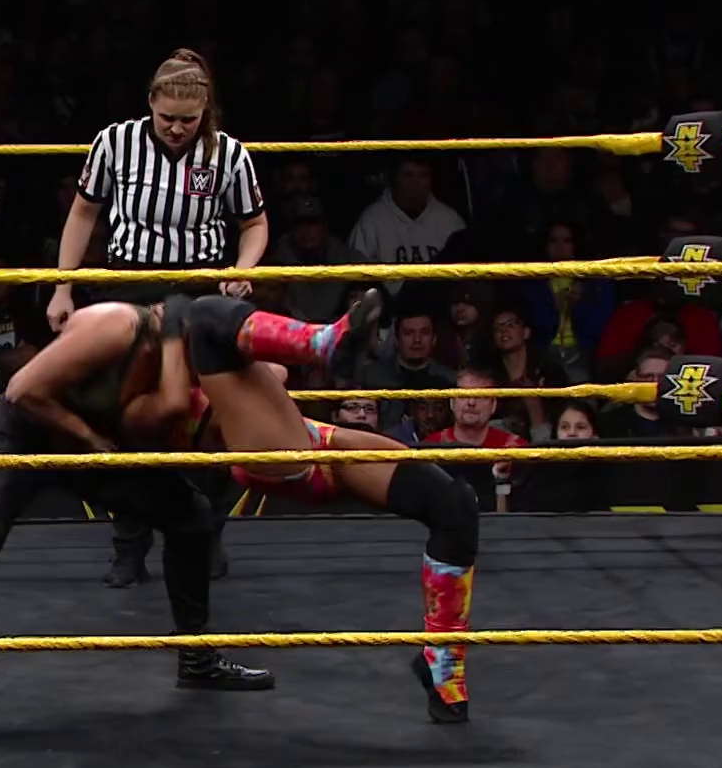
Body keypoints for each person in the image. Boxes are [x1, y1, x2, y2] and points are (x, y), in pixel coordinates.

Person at [0, 299, 273, 727]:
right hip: (22, 433)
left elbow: (175, 409)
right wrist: (89, 438)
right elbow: (22, 391)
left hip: (89, 446)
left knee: (190, 515)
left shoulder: (178, 361)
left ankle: (197, 658)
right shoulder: (118, 324)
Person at [132, 291, 481, 724]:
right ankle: (323, 344)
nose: (167, 318)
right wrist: (173, 329)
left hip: (317, 442)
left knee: (455, 506)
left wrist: (206, 343)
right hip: (274, 455)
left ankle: (444, 671)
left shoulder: (212, 367)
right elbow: (168, 403)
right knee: (204, 312)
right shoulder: (147, 391)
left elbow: (276, 372)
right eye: (157, 318)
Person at [44, 48, 268, 587]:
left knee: (208, 417)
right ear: (150, 102)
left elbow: (254, 223)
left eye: (188, 120)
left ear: (205, 111)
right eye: (167, 117)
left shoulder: (228, 154)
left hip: (200, 288)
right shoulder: (114, 143)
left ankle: (206, 533)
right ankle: (129, 545)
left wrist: (242, 270)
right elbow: (83, 212)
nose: (175, 128)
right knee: (128, 416)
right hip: (130, 285)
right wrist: (62, 286)